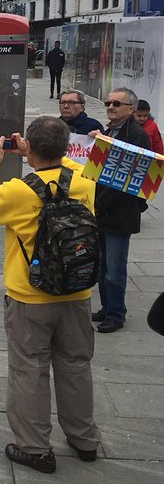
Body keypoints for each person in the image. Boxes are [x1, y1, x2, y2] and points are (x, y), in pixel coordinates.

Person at [0, 117, 99, 473]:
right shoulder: (84, 183)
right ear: (63, 148)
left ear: (30, 149)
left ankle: (35, 448)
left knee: (29, 370)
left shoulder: (18, 191)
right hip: (77, 292)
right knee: (76, 366)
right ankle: (83, 438)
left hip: (30, 295)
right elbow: (68, 165)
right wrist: (38, 150)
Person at [93, 87, 148, 333]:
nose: (110, 107)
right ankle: (107, 307)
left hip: (117, 211)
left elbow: (127, 179)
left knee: (115, 266)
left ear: (131, 109)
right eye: (108, 102)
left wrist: (99, 204)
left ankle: (116, 313)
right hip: (102, 209)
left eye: (117, 104)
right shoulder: (109, 131)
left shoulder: (136, 135)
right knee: (103, 264)